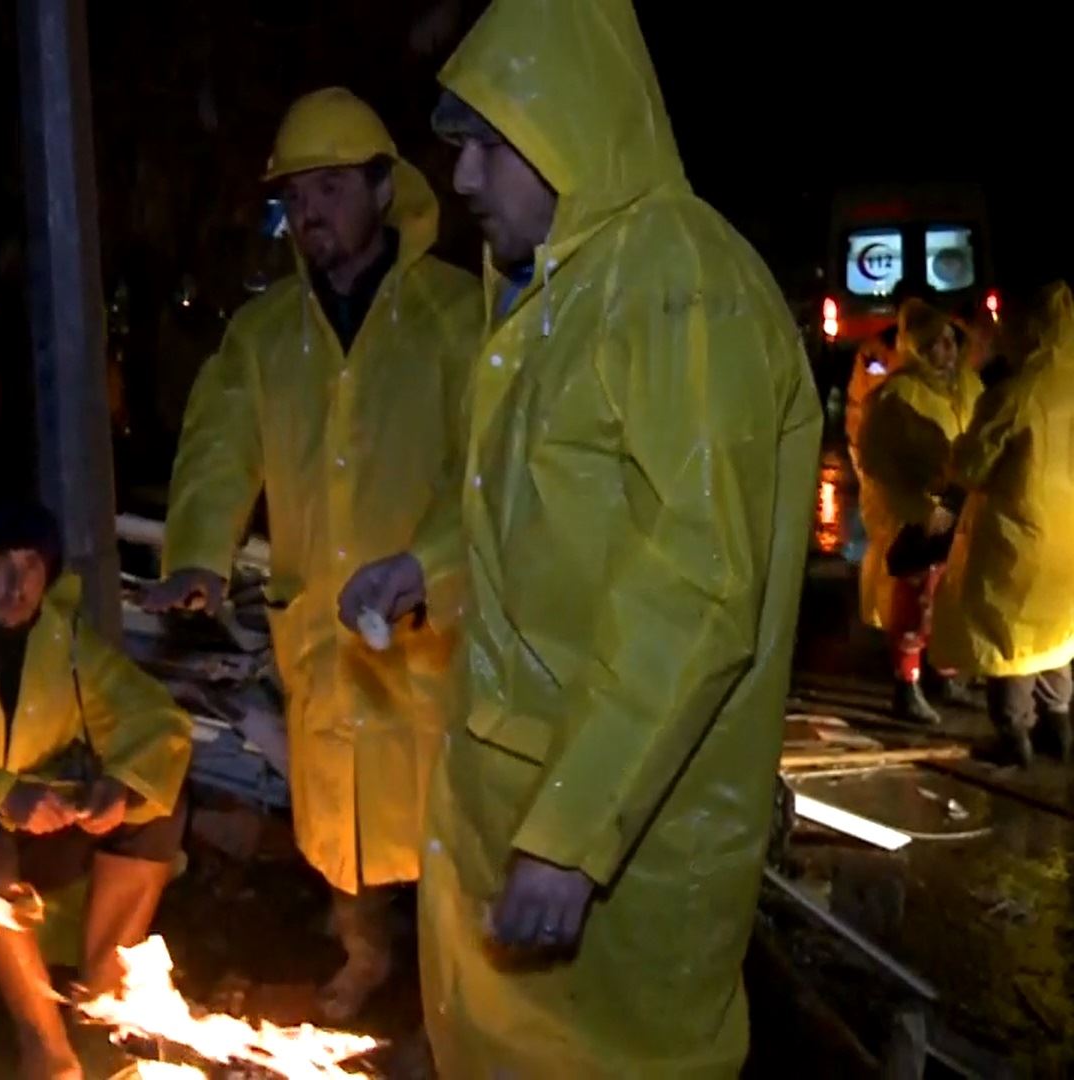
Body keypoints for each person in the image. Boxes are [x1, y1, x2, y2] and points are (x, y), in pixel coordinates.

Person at [352, 0, 823, 1072]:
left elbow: (699, 591)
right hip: (530, 824)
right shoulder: (557, 290)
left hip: (621, 861)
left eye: (485, 146)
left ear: (571, 123)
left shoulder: (680, 288)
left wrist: (571, 838)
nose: (460, 180)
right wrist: (421, 564)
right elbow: (526, 502)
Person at [142, 87, 481, 1021]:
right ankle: (365, 958)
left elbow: (486, 470)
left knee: (454, 822)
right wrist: (201, 556)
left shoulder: (457, 317)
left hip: (431, 624)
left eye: (334, 186)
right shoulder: (263, 335)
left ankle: (458, 996)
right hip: (325, 622)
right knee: (342, 826)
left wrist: (430, 565)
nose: (314, 210)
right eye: (300, 193)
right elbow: (220, 449)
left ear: (384, 190)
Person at [0, 502, 192, 1079]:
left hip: (23, 827)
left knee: (155, 807)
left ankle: (102, 1013)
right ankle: (46, 1053)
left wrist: (120, 785)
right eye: (0, 566)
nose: (18, 585)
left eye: (31, 567)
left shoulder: (61, 641)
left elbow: (155, 719)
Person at [931, 282, 1074, 766]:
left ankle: (1015, 738)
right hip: (1068, 538)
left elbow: (971, 465)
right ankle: (1060, 725)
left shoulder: (1014, 394)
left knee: (1008, 637)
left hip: (1019, 532)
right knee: (1056, 634)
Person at [857, 300, 984, 723]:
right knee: (916, 603)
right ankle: (906, 685)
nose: (946, 351)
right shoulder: (896, 395)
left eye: (951, 341)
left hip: (961, 515)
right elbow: (876, 463)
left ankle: (945, 674)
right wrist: (916, 511)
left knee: (951, 599)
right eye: (935, 344)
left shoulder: (969, 386)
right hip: (921, 519)